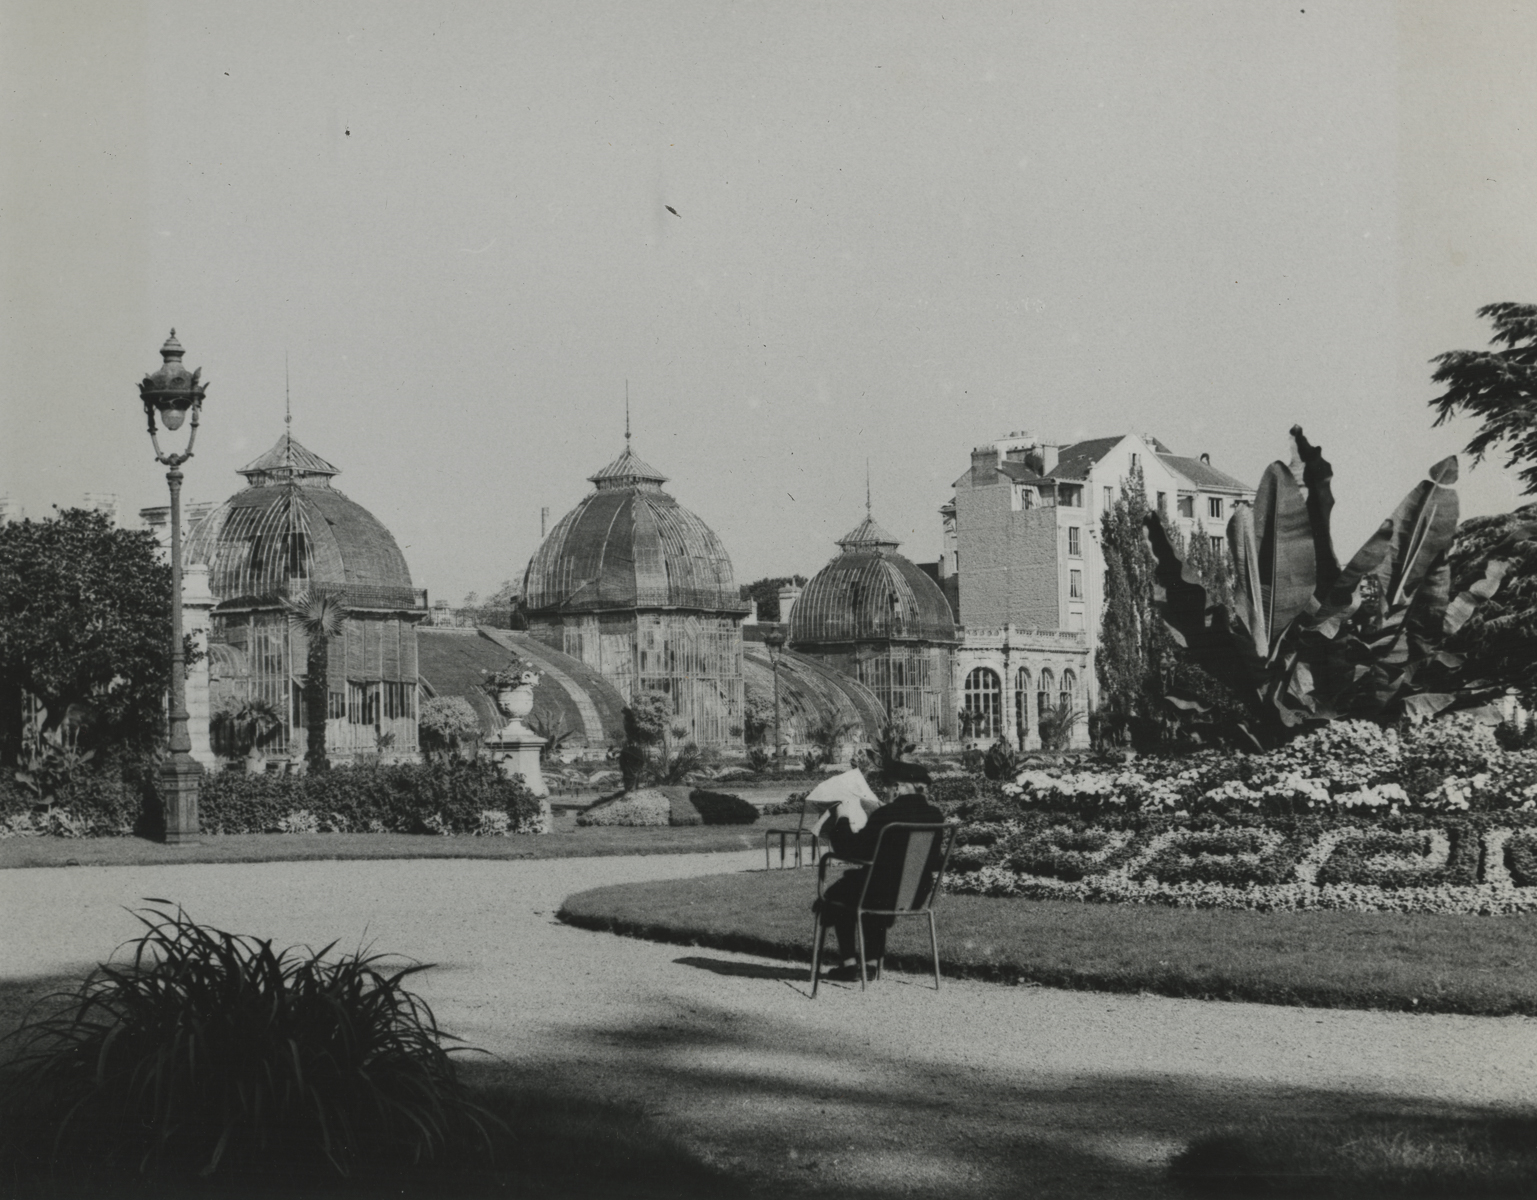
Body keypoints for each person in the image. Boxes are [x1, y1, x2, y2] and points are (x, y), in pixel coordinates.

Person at [815, 761, 945, 980]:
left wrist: (843, 818)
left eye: (887, 786)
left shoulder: (887, 814)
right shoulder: (935, 815)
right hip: (915, 893)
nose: (885, 791)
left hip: (880, 894)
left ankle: (849, 965)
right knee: (870, 890)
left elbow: (850, 850)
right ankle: (871, 965)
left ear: (899, 787)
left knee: (837, 896)